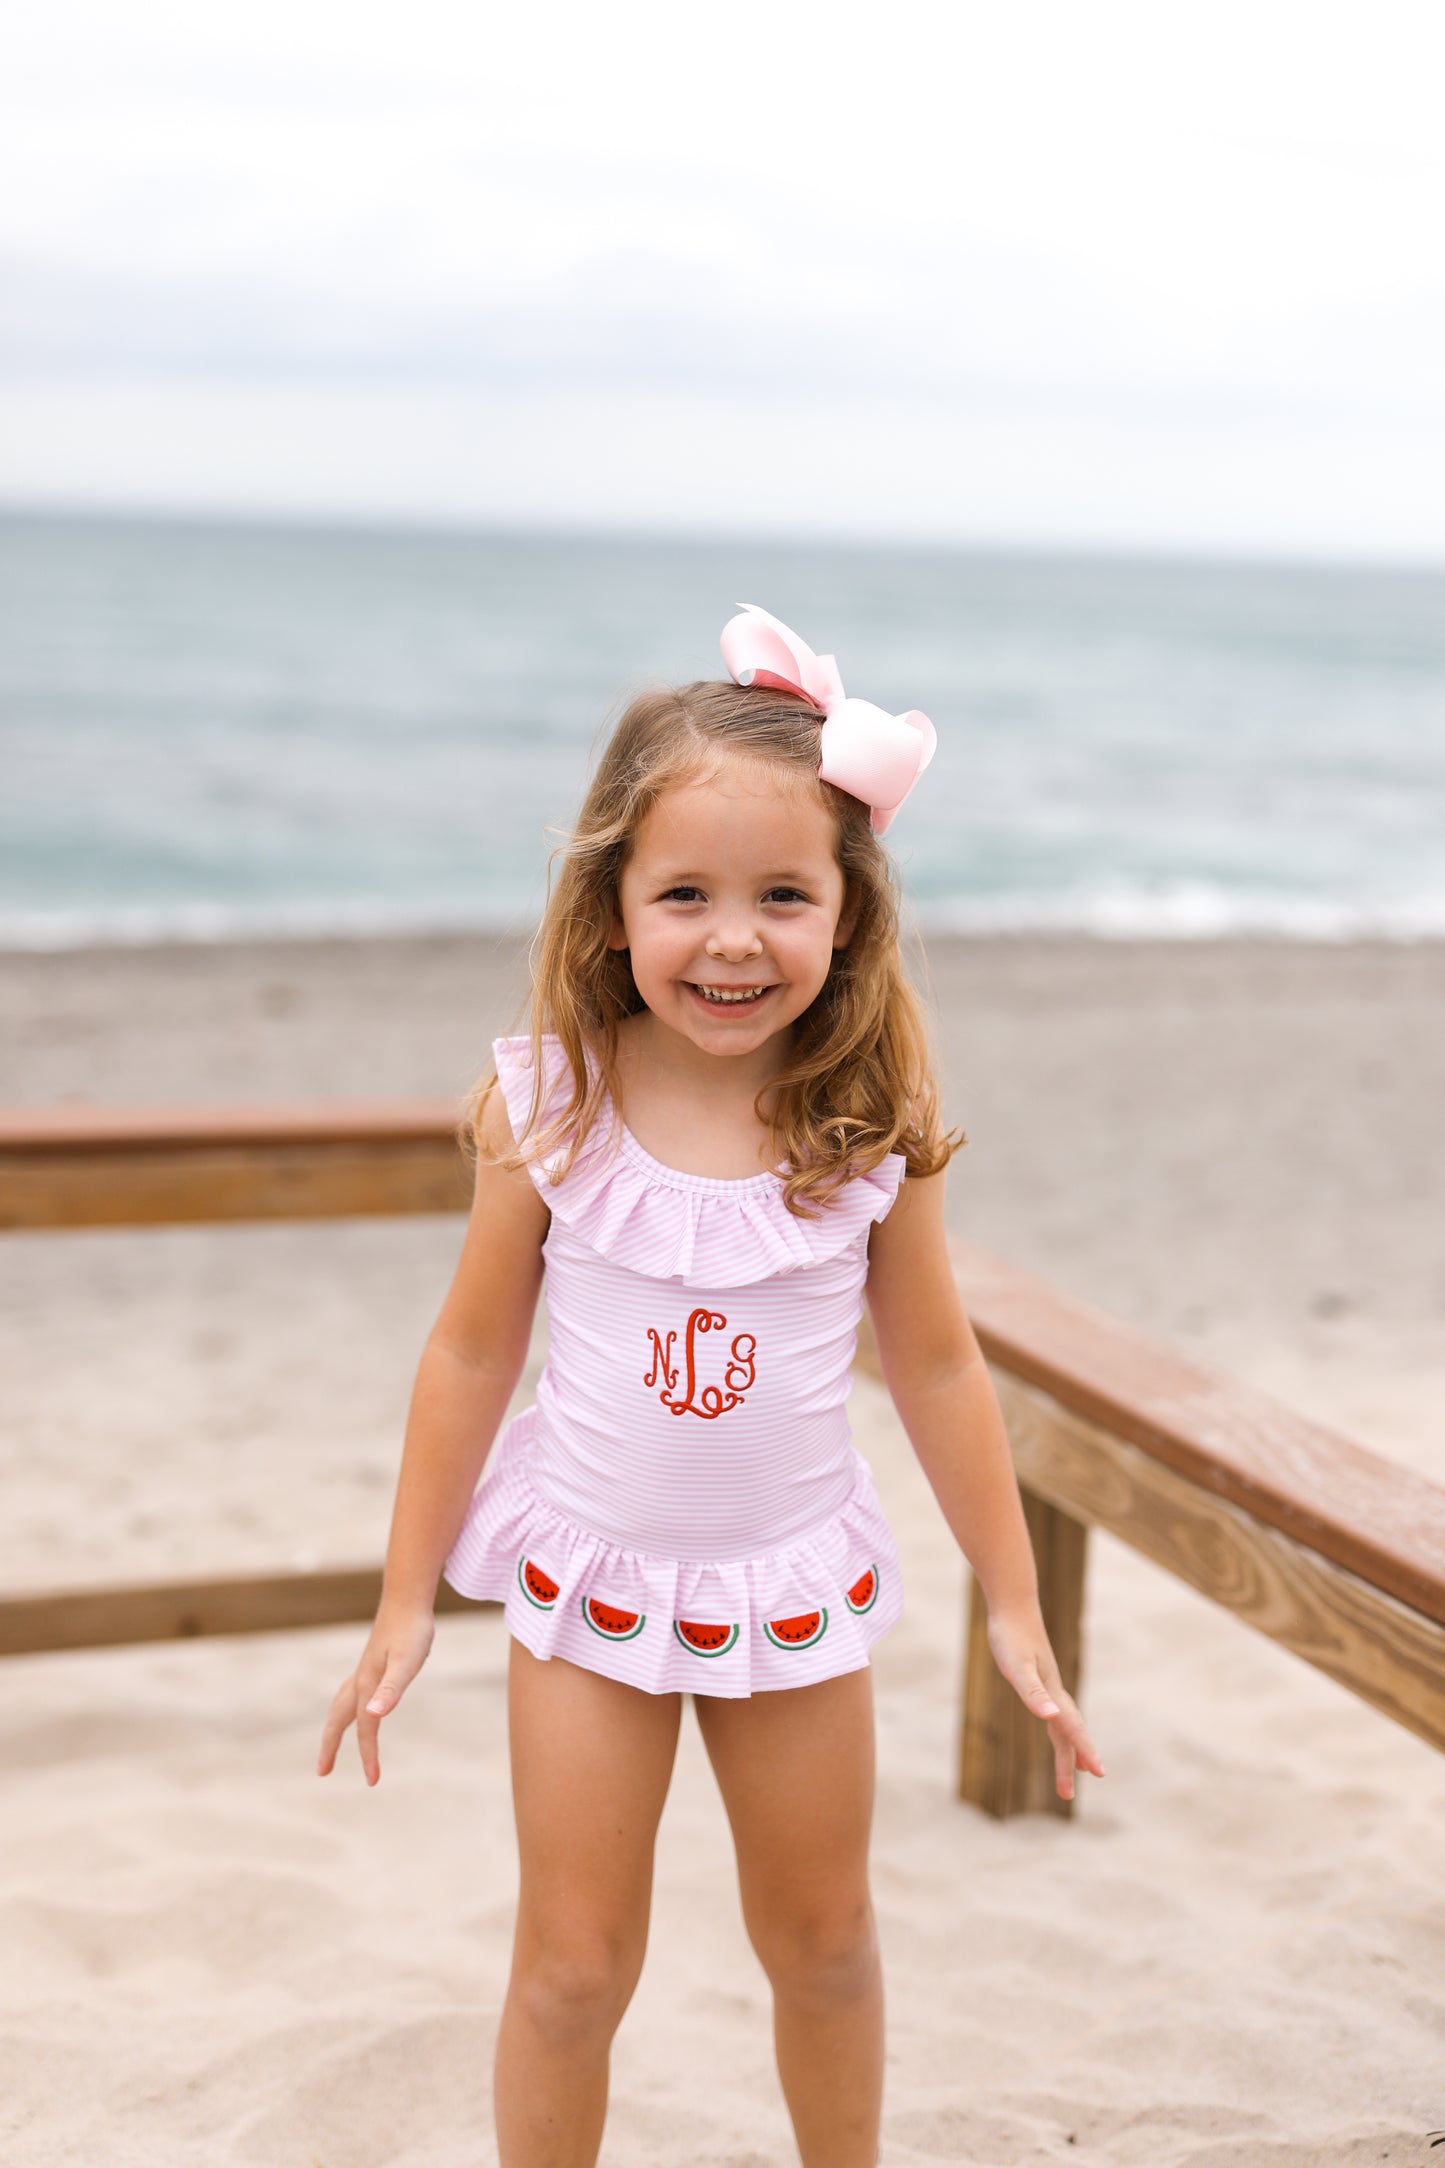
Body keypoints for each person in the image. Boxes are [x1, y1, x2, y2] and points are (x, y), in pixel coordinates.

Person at [317, 603, 1104, 2167]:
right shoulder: (555, 1103)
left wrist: (1010, 1599)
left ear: (845, 912)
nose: (732, 939)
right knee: (570, 1966)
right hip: (591, 1591)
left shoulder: (866, 1118)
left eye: (781, 897)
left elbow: (937, 1365)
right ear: (612, 904)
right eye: (684, 894)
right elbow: (471, 1349)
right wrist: (406, 1594)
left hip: (791, 1593)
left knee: (822, 1946)